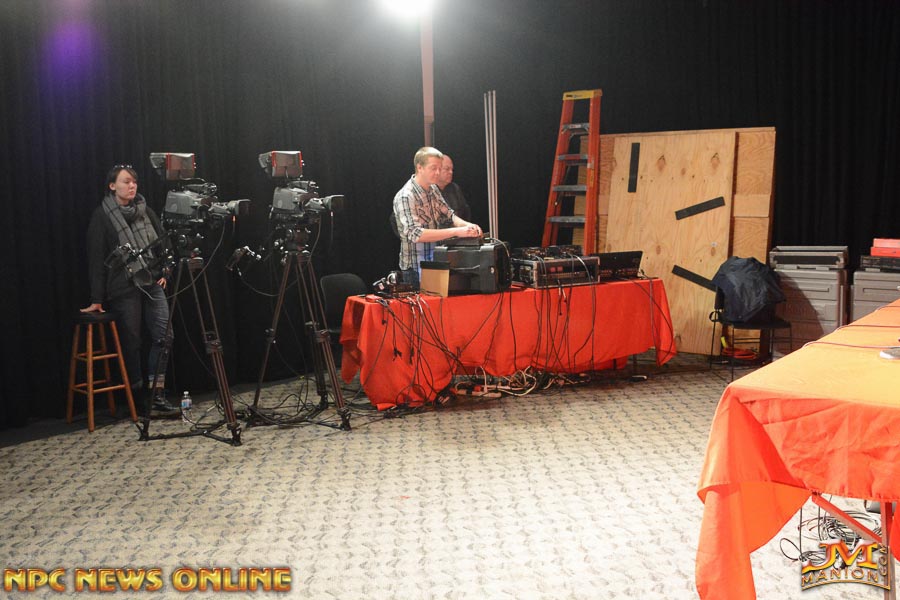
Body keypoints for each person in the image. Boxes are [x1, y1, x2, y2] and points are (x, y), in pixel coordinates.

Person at [81, 165, 178, 414]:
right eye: (126, 182)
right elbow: (96, 260)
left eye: (134, 181)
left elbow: (164, 243)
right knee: (131, 342)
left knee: (164, 336)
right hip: (124, 286)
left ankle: (157, 393)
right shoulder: (102, 216)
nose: (131, 186)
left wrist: (165, 271)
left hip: (151, 282)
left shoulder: (146, 211)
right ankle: (136, 397)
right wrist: (96, 298)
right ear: (112, 186)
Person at [392, 147, 483, 288]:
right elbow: (415, 234)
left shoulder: (433, 189)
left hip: (435, 263)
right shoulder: (406, 196)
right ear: (420, 167)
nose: (438, 173)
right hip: (415, 269)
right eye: (433, 168)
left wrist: (467, 226)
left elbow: (449, 214)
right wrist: (456, 231)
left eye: (440, 168)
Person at [436, 154, 471, 222]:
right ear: (436, 169)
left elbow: (465, 213)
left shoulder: (454, 188)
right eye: (447, 169)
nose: (451, 172)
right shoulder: (428, 190)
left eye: (452, 169)